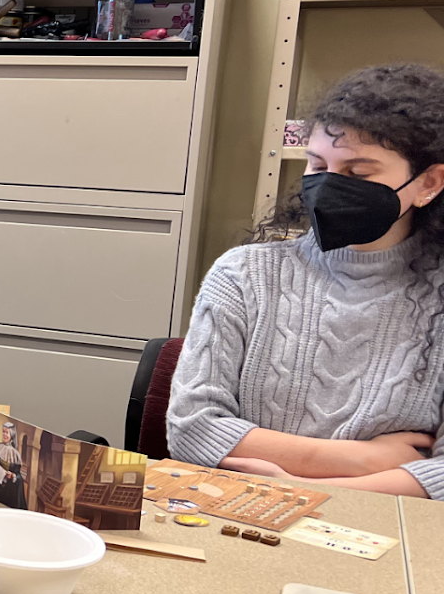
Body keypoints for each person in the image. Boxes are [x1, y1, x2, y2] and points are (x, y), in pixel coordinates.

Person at [167, 64, 444, 498]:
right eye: (317, 164)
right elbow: (192, 430)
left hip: (382, 527)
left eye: (359, 173)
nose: (328, 185)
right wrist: (363, 460)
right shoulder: (243, 274)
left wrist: (301, 486)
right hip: (241, 510)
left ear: (428, 182)